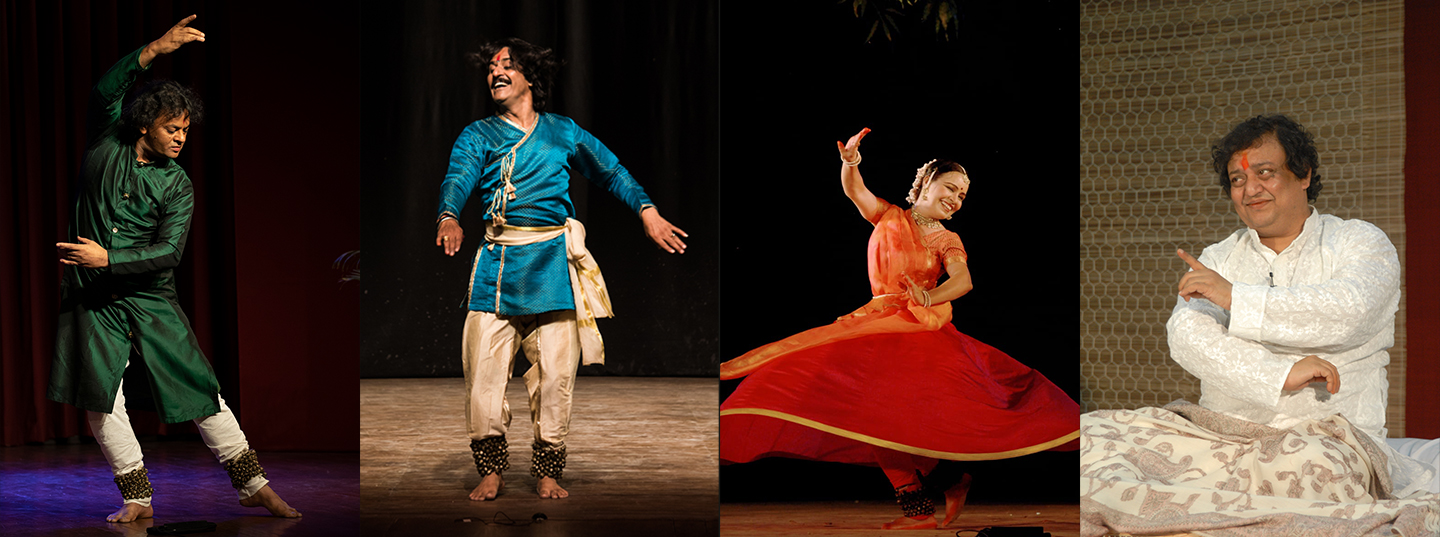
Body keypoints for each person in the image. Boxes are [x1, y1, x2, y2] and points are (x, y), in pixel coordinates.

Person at [1079, 114, 1439, 535]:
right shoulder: (1218, 258)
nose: (1250, 190)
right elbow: (1188, 336)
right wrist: (1280, 374)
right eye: (1237, 180)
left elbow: (1348, 311)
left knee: (1311, 473)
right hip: (1223, 437)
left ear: (1303, 175)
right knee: (1089, 438)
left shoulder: (1360, 242)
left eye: (1264, 173)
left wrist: (1235, 297)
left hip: (1330, 439)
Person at [719, 128, 1080, 530]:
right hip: (872, 325)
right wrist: (851, 162)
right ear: (926, 182)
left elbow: (963, 282)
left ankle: (941, 488)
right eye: (950, 187)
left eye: (962, 194)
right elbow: (856, 192)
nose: (956, 198)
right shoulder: (889, 216)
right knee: (866, 413)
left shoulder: (947, 238)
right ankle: (935, 495)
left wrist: (928, 297)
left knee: (893, 414)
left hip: (917, 332)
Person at [47, 16, 299, 523]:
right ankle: (137, 495)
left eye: (186, 130)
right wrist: (156, 48)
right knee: (100, 398)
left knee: (197, 387)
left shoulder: (177, 183)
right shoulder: (106, 144)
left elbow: (168, 252)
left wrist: (109, 257)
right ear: (145, 124)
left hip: (148, 294)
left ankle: (252, 485)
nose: (181, 137)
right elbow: (104, 90)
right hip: (93, 298)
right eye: (171, 128)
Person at [434, 38, 688, 501]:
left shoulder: (562, 132)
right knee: (483, 376)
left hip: (551, 263)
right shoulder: (478, 135)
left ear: (531, 76)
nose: (496, 72)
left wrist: (647, 211)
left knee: (556, 376)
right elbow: (458, 177)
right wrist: (449, 215)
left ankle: (548, 469)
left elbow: (610, 171)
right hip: (497, 264)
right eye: (491, 67)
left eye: (508, 65)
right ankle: (491, 470)